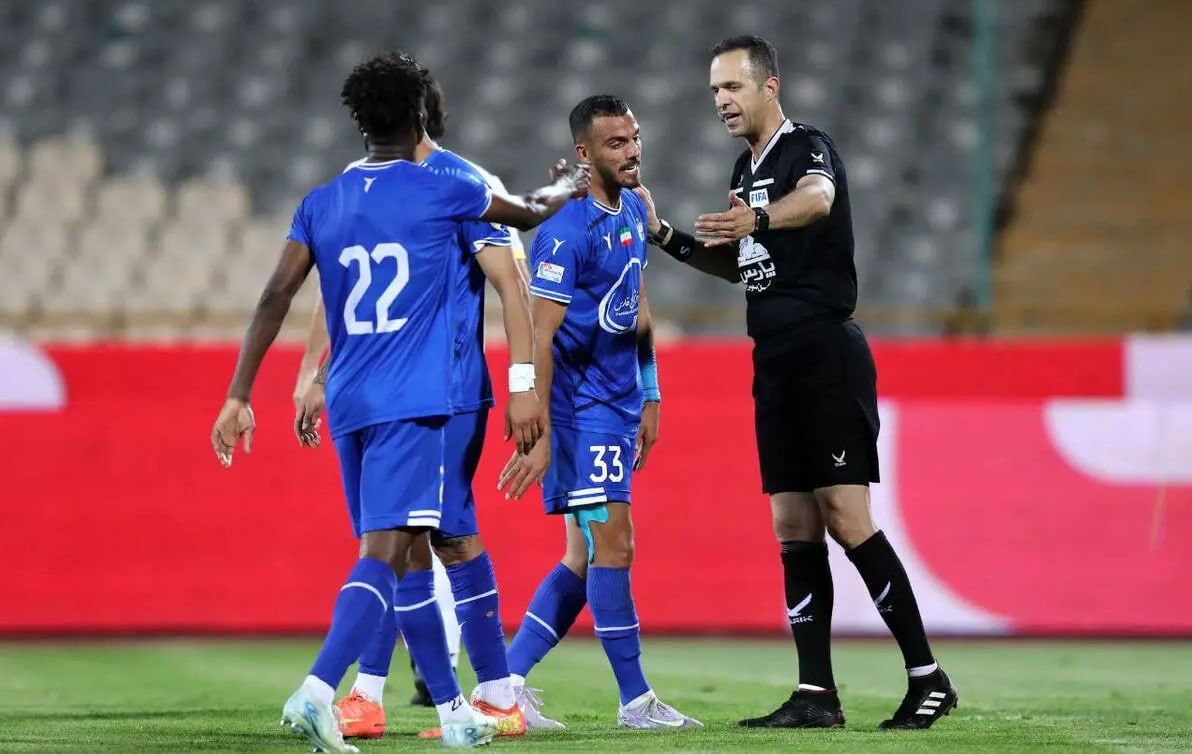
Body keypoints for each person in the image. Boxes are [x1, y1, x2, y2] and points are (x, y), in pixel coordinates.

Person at [210, 51, 586, 752]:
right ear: (419, 115)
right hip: (415, 400)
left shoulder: (322, 200)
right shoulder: (446, 188)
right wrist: (567, 184)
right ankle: (322, 689)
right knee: (394, 551)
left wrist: (243, 393)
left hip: (351, 396)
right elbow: (530, 215)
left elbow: (276, 295)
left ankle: (454, 710)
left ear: (357, 122)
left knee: (410, 549)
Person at [638, 35, 958, 730]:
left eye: (733, 86)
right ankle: (817, 693)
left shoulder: (807, 148)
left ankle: (928, 677)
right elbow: (741, 262)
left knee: (846, 516)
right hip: (775, 358)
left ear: (769, 86)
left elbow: (817, 199)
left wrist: (757, 216)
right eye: (714, 90)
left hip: (824, 352)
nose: (722, 100)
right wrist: (664, 234)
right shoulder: (744, 167)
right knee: (793, 524)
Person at [292, 64, 533, 741]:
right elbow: (335, 289)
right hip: (386, 387)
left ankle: (491, 694)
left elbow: (510, 282)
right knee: (400, 537)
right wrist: (316, 372)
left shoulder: (464, 182)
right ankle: (382, 695)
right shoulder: (361, 181)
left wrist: (523, 384)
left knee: (443, 533)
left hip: (448, 391)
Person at [497, 95, 701, 731]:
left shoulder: (636, 207)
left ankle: (504, 687)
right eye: (616, 144)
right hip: (579, 408)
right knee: (615, 542)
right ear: (584, 154)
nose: (632, 151)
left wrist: (651, 391)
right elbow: (540, 334)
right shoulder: (566, 231)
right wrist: (539, 430)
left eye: (634, 138)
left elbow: (636, 305)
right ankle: (636, 700)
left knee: (583, 558)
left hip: (616, 402)